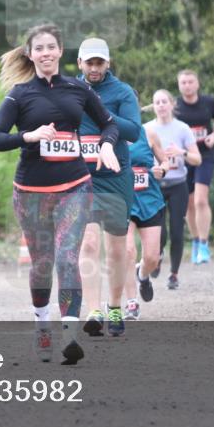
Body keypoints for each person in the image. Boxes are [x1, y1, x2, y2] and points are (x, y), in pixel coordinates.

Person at [0, 24, 120, 365]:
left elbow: (109, 123)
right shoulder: (19, 95)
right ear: (30, 55)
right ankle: (42, 322)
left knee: (66, 259)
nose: (45, 53)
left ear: (61, 51)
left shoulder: (78, 90)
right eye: (39, 48)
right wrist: (28, 137)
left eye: (51, 47)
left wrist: (106, 145)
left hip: (74, 186)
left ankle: (70, 334)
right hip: (30, 192)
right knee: (43, 264)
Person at [75, 37, 140, 338]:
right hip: (80, 176)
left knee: (116, 250)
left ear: (108, 63)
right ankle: (93, 310)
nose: (94, 68)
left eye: (99, 62)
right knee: (88, 243)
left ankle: (114, 305)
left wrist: (102, 113)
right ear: (80, 64)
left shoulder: (122, 92)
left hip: (115, 176)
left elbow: (134, 131)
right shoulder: (70, 90)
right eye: (89, 62)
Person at [146, 89, 201, 290]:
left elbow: (198, 159)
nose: (160, 105)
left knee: (177, 231)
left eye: (164, 101)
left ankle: (174, 274)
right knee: (159, 232)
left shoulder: (182, 129)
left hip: (178, 185)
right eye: (157, 102)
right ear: (153, 106)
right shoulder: (147, 128)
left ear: (171, 104)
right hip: (155, 186)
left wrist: (181, 152)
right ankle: (157, 257)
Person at [174, 69, 214, 264]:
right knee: (188, 203)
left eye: (190, 81)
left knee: (201, 200)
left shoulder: (209, 102)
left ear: (197, 84)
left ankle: (204, 244)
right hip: (183, 158)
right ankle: (195, 240)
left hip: (204, 155)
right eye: (183, 82)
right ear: (179, 86)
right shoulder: (175, 106)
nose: (187, 85)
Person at [121, 119, 167, 319]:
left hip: (149, 201)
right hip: (123, 201)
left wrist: (162, 169)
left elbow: (165, 161)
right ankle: (132, 303)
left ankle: (143, 275)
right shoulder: (111, 134)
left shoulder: (148, 134)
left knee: (152, 258)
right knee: (128, 251)